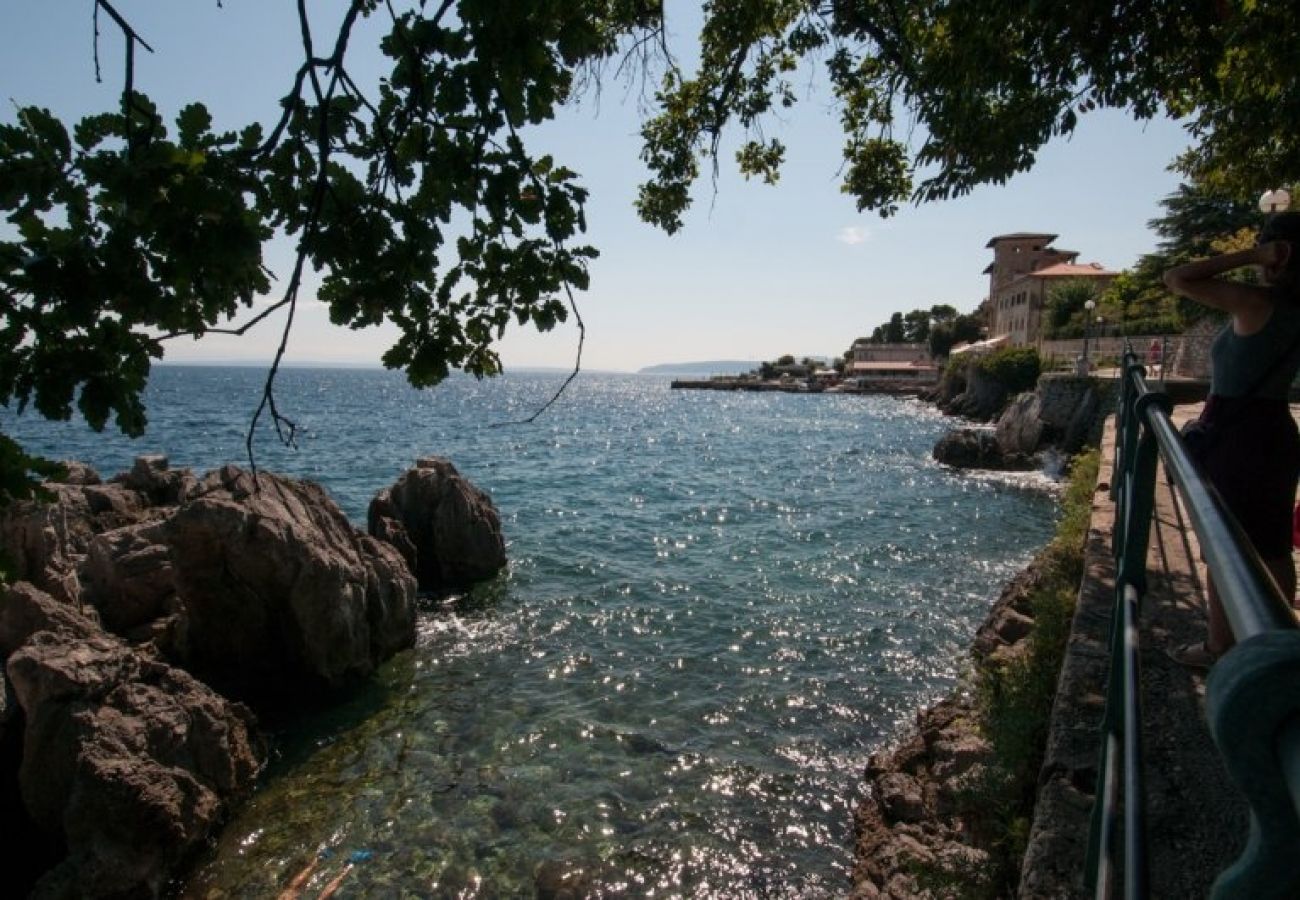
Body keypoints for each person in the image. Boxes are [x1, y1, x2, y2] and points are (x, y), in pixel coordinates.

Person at [1162, 211, 1300, 666]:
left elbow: (1177, 277)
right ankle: (1280, 645)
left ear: (1278, 254)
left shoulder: (1258, 303)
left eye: (1265, 246)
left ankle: (1221, 646)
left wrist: (1250, 255)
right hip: (1276, 431)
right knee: (1273, 543)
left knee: (1224, 543)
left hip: (1238, 437)